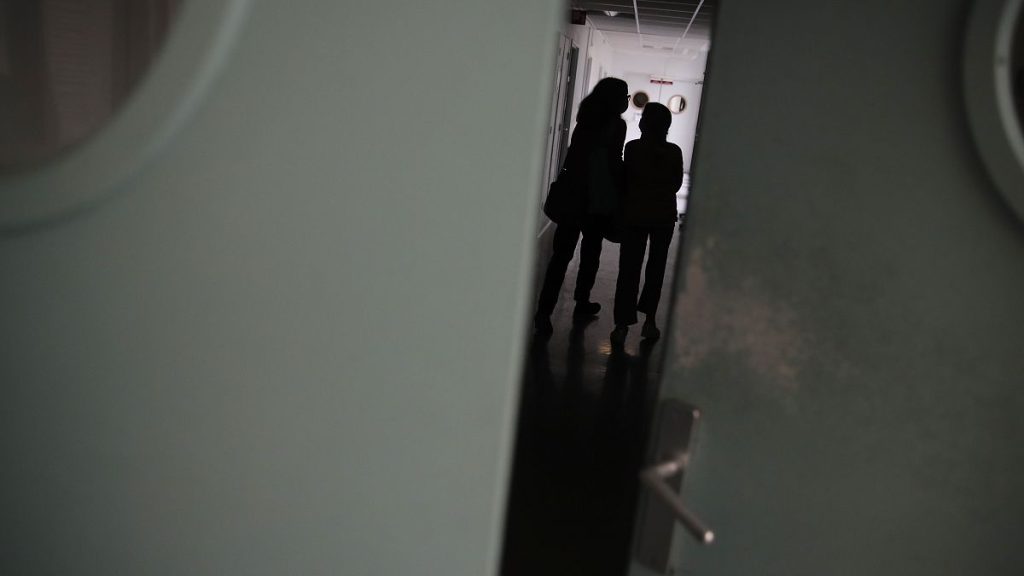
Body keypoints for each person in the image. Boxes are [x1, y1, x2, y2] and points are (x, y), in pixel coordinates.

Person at [534, 77, 629, 335]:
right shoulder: (617, 126)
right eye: (626, 97)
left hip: (573, 195)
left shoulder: (584, 120)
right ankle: (581, 300)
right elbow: (614, 161)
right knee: (590, 253)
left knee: (560, 256)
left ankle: (544, 311)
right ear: (615, 99)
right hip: (597, 198)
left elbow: (575, 156)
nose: (627, 102)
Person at [610, 103, 683, 345]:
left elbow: (625, 180)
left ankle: (622, 324)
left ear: (643, 124)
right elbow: (675, 185)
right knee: (656, 269)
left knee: (629, 268)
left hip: (635, 214)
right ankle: (649, 321)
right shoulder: (674, 152)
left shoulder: (633, 148)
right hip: (663, 216)